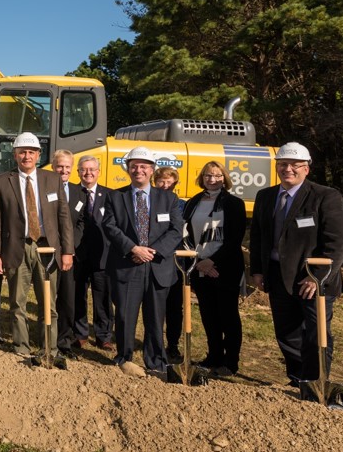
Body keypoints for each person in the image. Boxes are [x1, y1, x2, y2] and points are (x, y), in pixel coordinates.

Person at [249, 142, 343, 388]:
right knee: (286, 333)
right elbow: (258, 237)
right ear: (276, 167)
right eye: (283, 164)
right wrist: (257, 270)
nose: (289, 169)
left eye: (295, 165)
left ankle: (316, 383)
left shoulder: (325, 196)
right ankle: (297, 379)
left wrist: (317, 276)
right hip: (276, 276)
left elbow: (340, 242)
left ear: (307, 169)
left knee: (316, 334)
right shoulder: (265, 196)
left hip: (313, 280)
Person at [101, 147, 184, 378]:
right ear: (128, 169)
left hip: (158, 267)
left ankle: (156, 361)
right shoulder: (116, 197)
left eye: (144, 166)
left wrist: (153, 252)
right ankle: (124, 358)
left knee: (155, 317)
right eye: (134, 166)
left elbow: (176, 230)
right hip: (128, 265)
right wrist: (133, 248)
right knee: (125, 316)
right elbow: (110, 226)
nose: (139, 170)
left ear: (152, 170)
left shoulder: (168, 198)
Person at [0, 132, 74, 356]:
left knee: (49, 303)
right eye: (22, 152)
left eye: (31, 152)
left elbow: (64, 218)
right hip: (17, 249)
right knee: (17, 302)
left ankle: (50, 347)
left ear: (38, 155)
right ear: (15, 155)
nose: (27, 156)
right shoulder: (1, 182)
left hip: (48, 249)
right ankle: (21, 347)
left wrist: (68, 251)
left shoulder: (52, 179)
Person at [183, 161, 246, 377]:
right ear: (202, 178)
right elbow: (186, 232)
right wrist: (200, 260)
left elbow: (234, 238)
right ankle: (214, 356)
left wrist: (213, 261)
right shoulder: (194, 202)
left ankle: (231, 362)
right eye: (208, 175)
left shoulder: (233, 203)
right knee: (208, 315)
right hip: (199, 265)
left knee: (228, 315)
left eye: (217, 175)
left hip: (225, 267)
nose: (212, 179)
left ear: (224, 178)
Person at [73, 155, 114, 350]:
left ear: (98, 172)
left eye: (92, 169)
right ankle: (80, 334)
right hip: (78, 255)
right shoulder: (72, 193)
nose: (88, 173)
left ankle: (103, 335)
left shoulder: (110, 196)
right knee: (78, 295)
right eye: (84, 169)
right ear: (78, 172)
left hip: (103, 256)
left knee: (103, 297)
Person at [51, 150, 86, 355]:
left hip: (69, 255)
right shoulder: (44, 188)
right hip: (49, 251)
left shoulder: (78, 192)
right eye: (59, 166)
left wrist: (70, 247)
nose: (63, 170)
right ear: (53, 167)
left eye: (67, 167)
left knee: (67, 298)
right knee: (48, 296)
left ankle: (64, 341)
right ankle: (47, 336)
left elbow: (81, 222)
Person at [154, 156, 185, 360]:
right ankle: (154, 343)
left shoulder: (182, 205)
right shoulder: (147, 201)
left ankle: (172, 344)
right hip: (153, 260)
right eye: (161, 181)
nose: (165, 185)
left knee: (174, 306)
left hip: (175, 262)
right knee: (155, 306)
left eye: (169, 181)